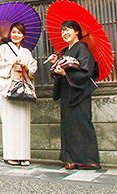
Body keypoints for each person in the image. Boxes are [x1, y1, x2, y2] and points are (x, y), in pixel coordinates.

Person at [46, 20, 100, 170]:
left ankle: (90, 160)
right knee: (69, 127)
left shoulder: (82, 48)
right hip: (67, 92)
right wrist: (57, 63)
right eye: (62, 30)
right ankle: (71, 159)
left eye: (67, 29)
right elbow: (64, 69)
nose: (64, 33)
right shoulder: (67, 50)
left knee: (82, 125)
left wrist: (65, 73)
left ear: (77, 31)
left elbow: (85, 71)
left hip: (79, 93)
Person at [0, 22, 38, 166]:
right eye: (14, 32)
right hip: (9, 87)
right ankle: (10, 155)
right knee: (10, 122)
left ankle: (24, 156)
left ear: (23, 36)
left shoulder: (26, 52)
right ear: (10, 34)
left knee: (23, 122)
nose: (16, 35)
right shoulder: (3, 49)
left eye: (19, 33)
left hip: (22, 87)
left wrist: (25, 66)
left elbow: (33, 68)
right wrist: (11, 64)